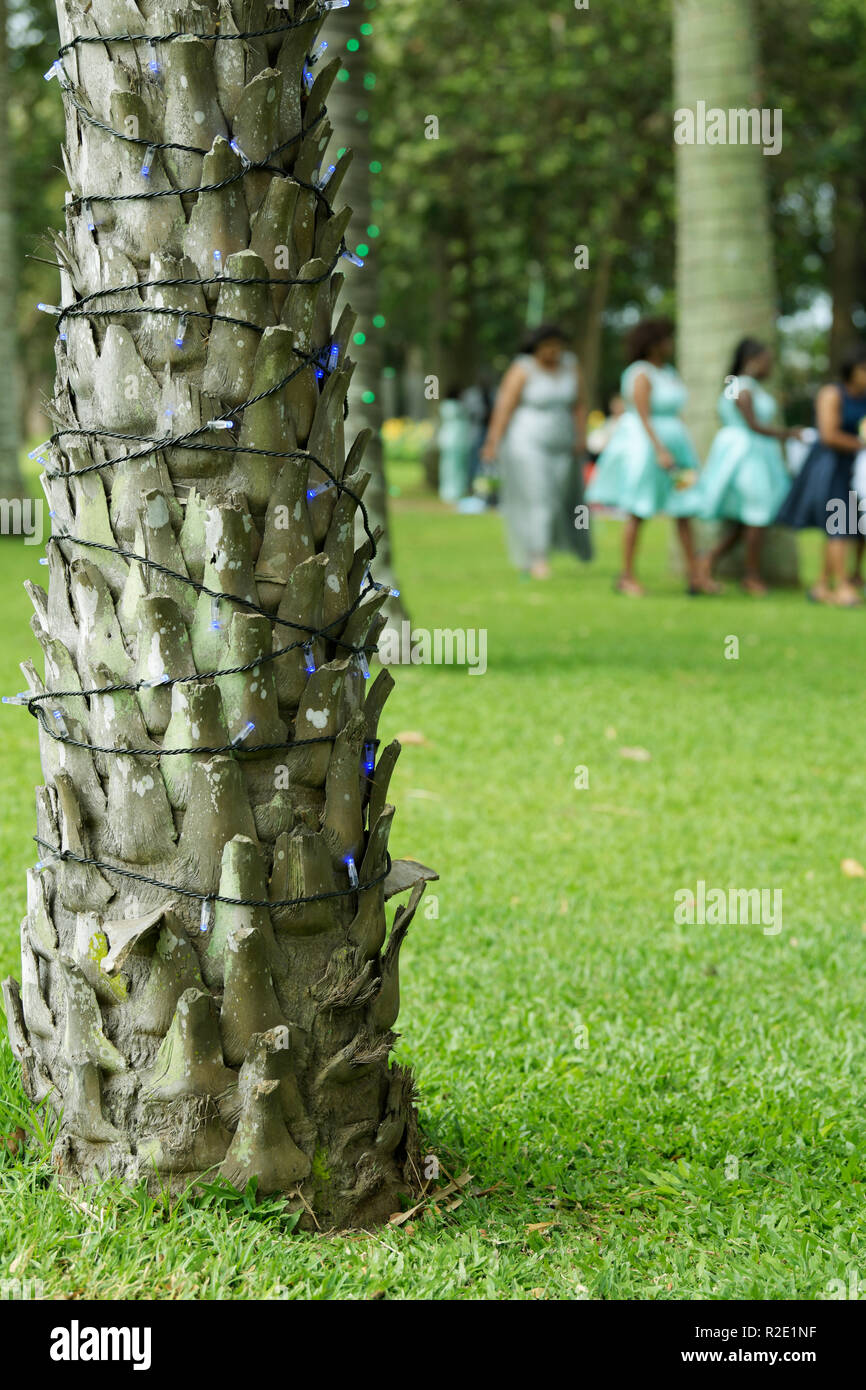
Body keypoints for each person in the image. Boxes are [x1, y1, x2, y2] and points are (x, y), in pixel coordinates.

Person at [586, 317, 716, 596]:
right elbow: (643, 414)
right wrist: (659, 449)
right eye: (665, 339)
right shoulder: (640, 372)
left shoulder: (668, 372)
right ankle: (627, 575)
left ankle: (696, 576)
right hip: (647, 448)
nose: (670, 344)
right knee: (639, 510)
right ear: (653, 343)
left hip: (677, 445)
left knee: (685, 509)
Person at [683, 340, 800, 596]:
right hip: (747, 457)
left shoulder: (741, 387)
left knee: (749, 519)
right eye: (768, 361)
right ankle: (750, 575)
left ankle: (708, 560)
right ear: (754, 359)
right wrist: (788, 434)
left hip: (750, 454)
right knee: (755, 515)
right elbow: (753, 424)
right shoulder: (743, 388)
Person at [481, 325, 590, 578]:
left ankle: (548, 548)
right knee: (539, 497)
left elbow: (580, 404)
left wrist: (581, 435)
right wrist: (492, 443)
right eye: (548, 346)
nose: (553, 351)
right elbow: (505, 406)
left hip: (562, 441)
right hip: (526, 441)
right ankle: (537, 557)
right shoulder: (523, 368)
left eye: (557, 346)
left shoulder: (570, 366)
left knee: (557, 497)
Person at [775, 343, 866, 605]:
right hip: (830, 467)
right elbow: (828, 434)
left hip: (858, 469)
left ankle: (822, 585)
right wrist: (860, 445)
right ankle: (842, 587)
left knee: (852, 526)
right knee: (839, 524)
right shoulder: (833, 393)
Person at [436, 387, 472, 503]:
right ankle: (449, 491)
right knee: (449, 467)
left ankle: (458, 490)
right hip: (452, 440)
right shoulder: (450, 406)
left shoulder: (458, 406)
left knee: (458, 468)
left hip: (459, 440)